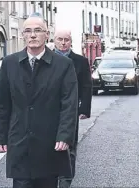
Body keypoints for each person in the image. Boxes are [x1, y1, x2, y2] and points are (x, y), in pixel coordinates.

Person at [0, 13, 78, 188]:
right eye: (28, 31)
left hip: (50, 143)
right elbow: (2, 103)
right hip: (20, 142)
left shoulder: (63, 65)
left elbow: (69, 103)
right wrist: (0, 136)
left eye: (38, 30)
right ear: (23, 35)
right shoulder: (10, 63)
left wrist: (65, 135)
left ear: (47, 35)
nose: (32, 35)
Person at [53, 28, 93, 188]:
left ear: (71, 41)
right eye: (60, 40)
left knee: (68, 146)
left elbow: (86, 86)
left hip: (70, 110)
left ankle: (65, 181)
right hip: (48, 110)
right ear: (54, 40)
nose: (63, 43)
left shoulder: (80, 61)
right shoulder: (46, 58)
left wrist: (84, 109)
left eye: (66, 40)